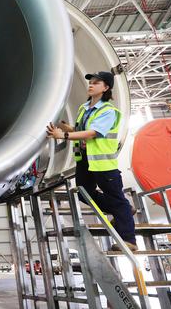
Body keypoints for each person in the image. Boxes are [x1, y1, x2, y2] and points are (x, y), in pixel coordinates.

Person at [46, 71, 137, 251]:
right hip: (86, 162)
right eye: (91, 82)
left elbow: (93, 133)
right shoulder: (84, 108)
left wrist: (63, 135)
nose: (91, 84)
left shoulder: (108, 111)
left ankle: (129, 240)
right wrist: (65, 126)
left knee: (116, 199)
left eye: (96, 82)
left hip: (102, 163)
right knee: (83, 193)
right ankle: (122, 209)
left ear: (106, 88)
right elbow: (81, 129)